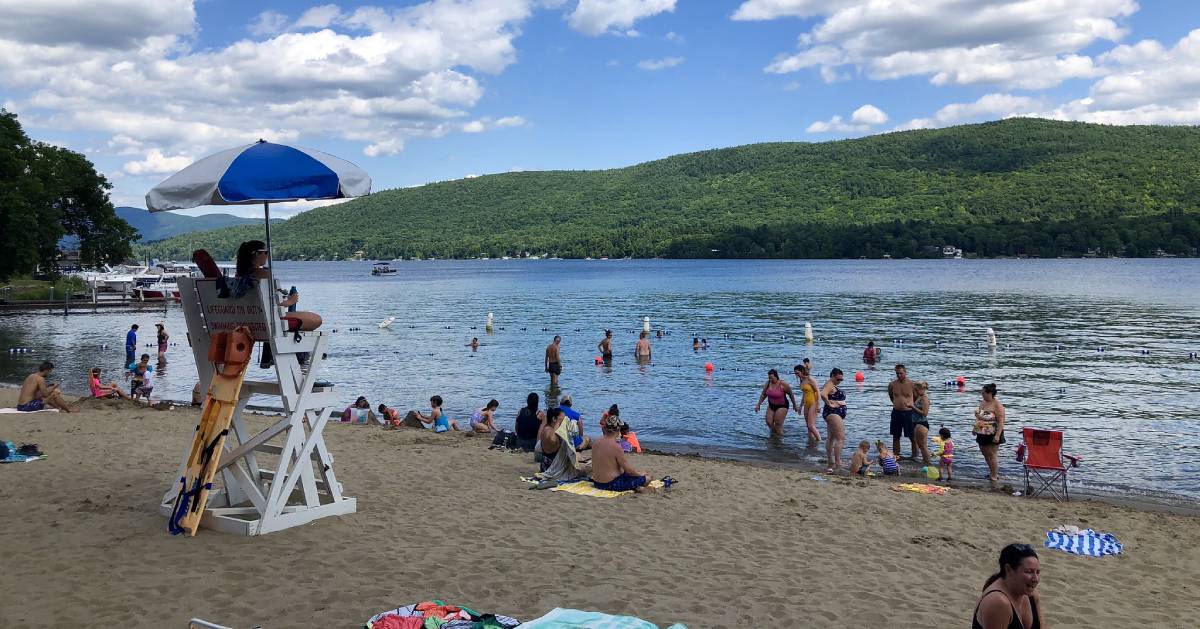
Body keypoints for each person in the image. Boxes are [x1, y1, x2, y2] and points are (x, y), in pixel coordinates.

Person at [972, 544, 1043, 629]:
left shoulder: (1031, 594)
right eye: (1028, 572)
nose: (1035, 579)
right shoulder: (998, 602)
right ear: (1008, 569)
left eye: (1037, 572)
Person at [591, 415, 654, 493]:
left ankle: (637, 487)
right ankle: (638, 488)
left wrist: (639, 474)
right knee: (648, 477)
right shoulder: (616, 447)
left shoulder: (596, 442)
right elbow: (629, 471)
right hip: (610, 484)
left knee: (643, 473)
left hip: (597, 482)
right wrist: (640, 475)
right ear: (618, 430)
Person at [973, 383, 1007, 489]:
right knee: (984, 453)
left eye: (983, 393)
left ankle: (994, 475)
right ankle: (991, 472)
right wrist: (975, 428)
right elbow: (979, 417)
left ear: (990, 393)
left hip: (993, 433)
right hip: (981, 431)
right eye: (981, 392)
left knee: (992, 455)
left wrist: (997, 436)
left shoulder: (997, 405)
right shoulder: (983, 403)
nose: (981, 394)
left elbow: (1001, 422)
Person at [755, 369, 800, 437]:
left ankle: (780, 440)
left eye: (772, 378)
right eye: (769, 378)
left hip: (782, 405)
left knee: (778, 423)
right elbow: (763, 395)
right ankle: (774, 436)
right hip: (771, 405)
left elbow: (791, 394)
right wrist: (758, 405)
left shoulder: (783, 384)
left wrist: (794, 405)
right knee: (769, 422)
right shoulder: (768, 383)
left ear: (776, 376)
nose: (770, 379)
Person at [820, 368, 847, 473]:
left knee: (831, 438)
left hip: (832, 413)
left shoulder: (831, 384)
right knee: (840, 439)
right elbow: (823, 394)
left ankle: (831, 461)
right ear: (832, 376)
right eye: (838, 379)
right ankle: (837, 462)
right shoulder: (830, 384)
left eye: (841, 380)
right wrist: (830, 403)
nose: (839, 381)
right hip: (833, 413)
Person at [887, 364, 917, 459]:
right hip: (896, 412)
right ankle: (896, 455)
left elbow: (916, 398)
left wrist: (909, 405)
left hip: (909, 413)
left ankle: (914, 456)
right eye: (897, 373)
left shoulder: (912, 384)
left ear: (905, 372)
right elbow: (891, 397)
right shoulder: (892, 384)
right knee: (896, 436)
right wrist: (897, 404)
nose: (899, 375)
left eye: (901, 373)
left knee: (912, 436)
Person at [793, 364, 822, 447]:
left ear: (802, 371)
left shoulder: (810, 379)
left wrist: (819, 405)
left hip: (814, 403)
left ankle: (819, 441)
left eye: (797, 373)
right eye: (795, 373)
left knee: (811, 425)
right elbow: (804, 394)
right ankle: (811, 444)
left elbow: (818, 391)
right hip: (806, 404)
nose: (796, 375)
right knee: (808, 427)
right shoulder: (802, 380)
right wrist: (800, 406)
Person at [912, 380, 932, 466]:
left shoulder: (925, 399)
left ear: (921, 389)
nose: (915, 391)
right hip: (917, 423)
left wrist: (912, 406)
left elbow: (925, 413)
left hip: (921, 423)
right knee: (921, 445)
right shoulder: (920, 397)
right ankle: (925, 463)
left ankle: (928, 464)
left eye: (916, 390)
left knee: (923, 446)